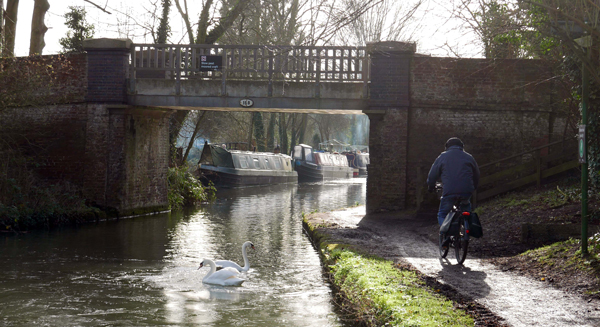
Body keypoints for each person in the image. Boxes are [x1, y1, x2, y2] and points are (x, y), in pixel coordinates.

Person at [427, 137, 480, 244]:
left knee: (442, 213)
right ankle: (467, 226)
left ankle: (446, 234)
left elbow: (432, 175)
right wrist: (473, 187)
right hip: (466, 191)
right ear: (462, 147)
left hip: (449, 191)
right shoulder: (469, 157)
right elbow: (477, 175)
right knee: (466, 210)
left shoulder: (442, 157)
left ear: (447, 147)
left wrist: (431, 186)